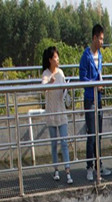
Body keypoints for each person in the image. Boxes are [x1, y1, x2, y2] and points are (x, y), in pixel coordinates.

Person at [80, 23, 111, 183]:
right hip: (90, 99)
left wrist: (101, 84)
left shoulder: (100, 56)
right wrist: (95, 84)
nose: (101, 42)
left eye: (102, 39)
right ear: (94, 37)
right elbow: (82, 78)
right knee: (91, 134)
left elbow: (100, 75)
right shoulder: (86, 56)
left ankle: (99, 165)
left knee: (98, 135)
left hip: (98, 99)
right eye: (100, 39)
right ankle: (89, 167)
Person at [41, 46, 72, 184]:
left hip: (61, 111)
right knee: (54, 144)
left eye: (57, 57)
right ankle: (56, 170)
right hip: (51, 113)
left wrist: (66, 89)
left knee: (64, 142)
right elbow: (43, 88)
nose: (57, 59)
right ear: (50, 60)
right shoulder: (46, 74)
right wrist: (49, 83)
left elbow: (63, 90)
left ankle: (68, 171)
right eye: (55, 57)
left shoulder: (61, 73)